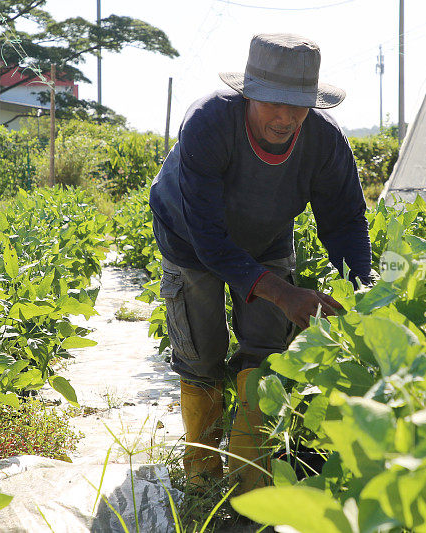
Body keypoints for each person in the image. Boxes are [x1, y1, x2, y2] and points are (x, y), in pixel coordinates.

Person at [148, 33, 372, 495]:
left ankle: (250, 482)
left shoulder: (324, 143)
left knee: (266, 348)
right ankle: (204, 474)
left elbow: (346, 221)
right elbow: (209, 240)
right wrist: (286, 294)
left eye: (299, 104)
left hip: (267, 237)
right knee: (202, 353)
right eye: (272, 102)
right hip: (190, 238)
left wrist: (363, 288)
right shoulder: (210, 123)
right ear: (249, 92)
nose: (285, 116)